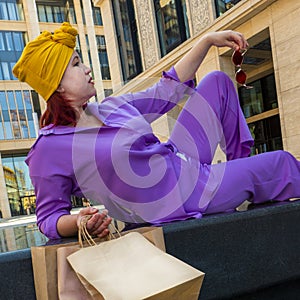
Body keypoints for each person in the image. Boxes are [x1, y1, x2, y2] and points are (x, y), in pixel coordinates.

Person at [13, 22, 300, 239]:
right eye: (77, 64)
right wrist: (78, 223)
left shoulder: (109, 107)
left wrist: (207, 41)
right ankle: (234, 183)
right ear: (57, 86)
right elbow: (49, 217)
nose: (88, 69)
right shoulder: (49, 148)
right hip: (177, 200)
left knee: (217, 82)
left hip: (183, 165)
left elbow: (166, 91)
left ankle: (236, 175)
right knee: (281, 163)